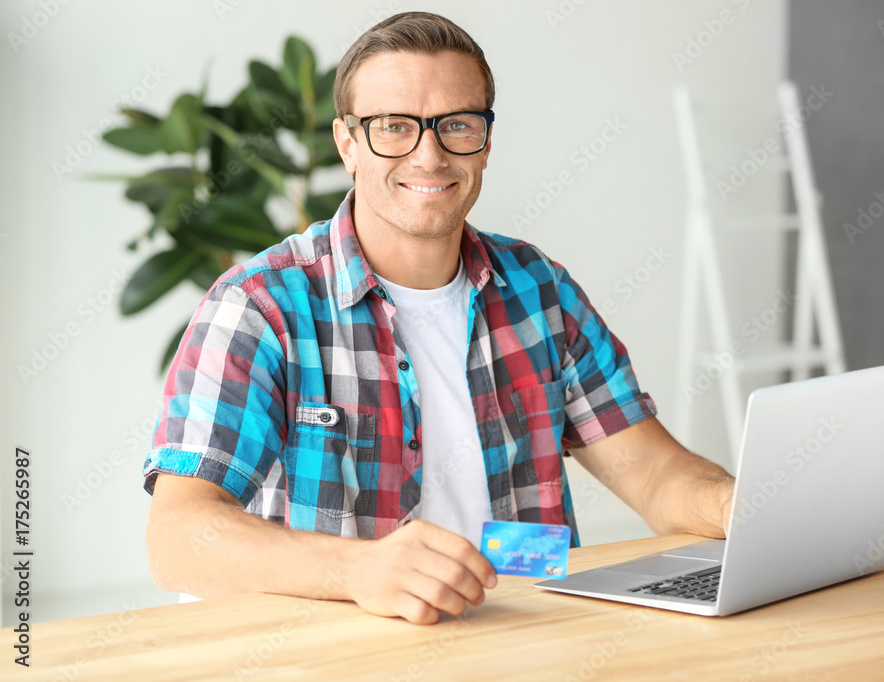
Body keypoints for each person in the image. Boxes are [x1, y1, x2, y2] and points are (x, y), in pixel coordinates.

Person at [144, 11, 735, 625]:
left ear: (485, 139)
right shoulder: (258, 306)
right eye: (394, 127)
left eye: (456, 124)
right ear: (347, 143)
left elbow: (655, 475)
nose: (429, 155)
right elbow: (180, 537)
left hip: (528, 639)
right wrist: (358, 570)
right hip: (339, 657)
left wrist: (744, 507)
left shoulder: (540, 291)